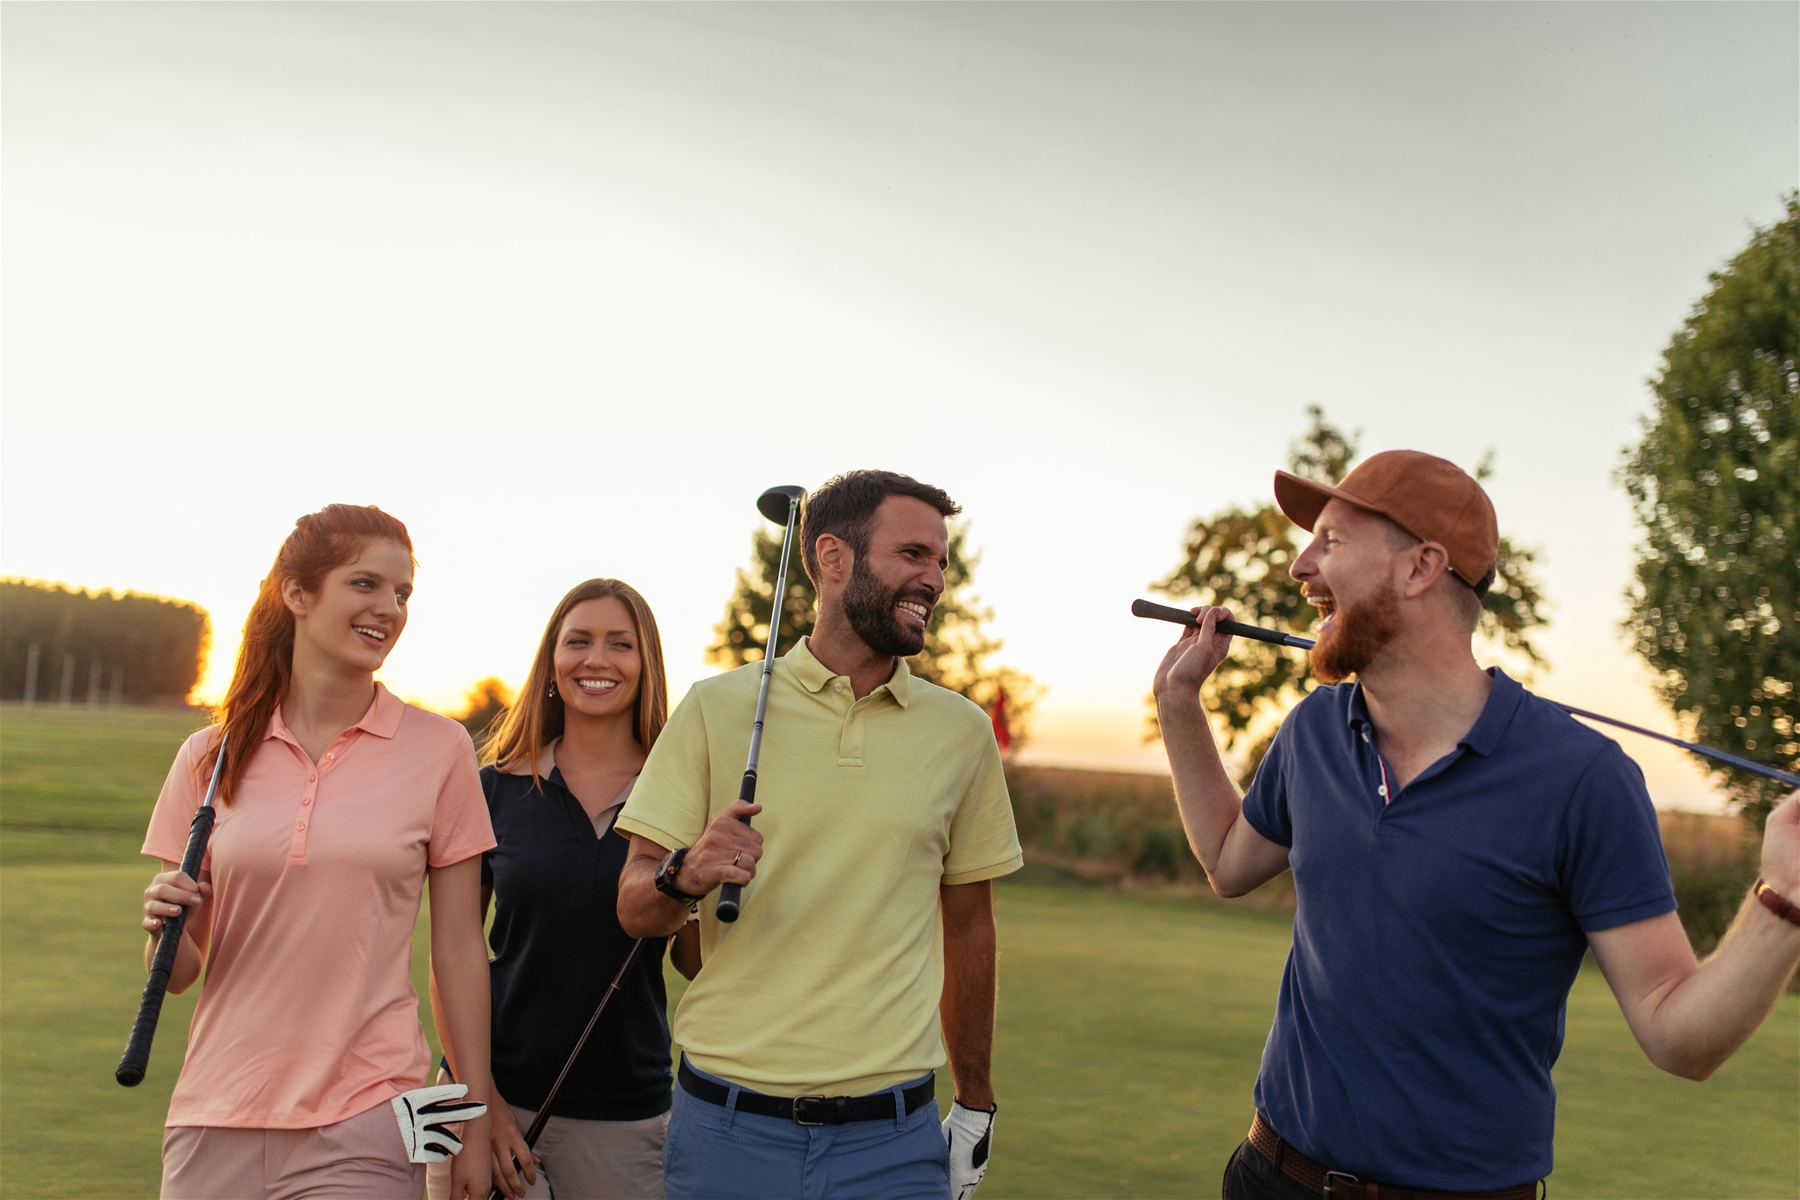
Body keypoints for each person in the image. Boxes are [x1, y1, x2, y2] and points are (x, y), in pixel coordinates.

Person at [1150, 450, 1800, 1200]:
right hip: (1272, 1176)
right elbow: (1230, 862)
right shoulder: (1314, 731)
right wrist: (1178, 705)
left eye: (1329, 541)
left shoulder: (1583, 780)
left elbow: (1677, 1032)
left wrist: (1784, 896)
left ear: (1422, 567)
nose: (1300, 566)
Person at [615, 470, 1023, 1200]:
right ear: (832, 559)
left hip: (894, 1144)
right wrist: (687, 872)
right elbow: (635, 906)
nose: (932, 579)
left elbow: (969, 928)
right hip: (724, 1134)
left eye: (940, 562)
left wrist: (975, 1102)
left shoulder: (962, 734)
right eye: (912, 555)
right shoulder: (715, 708)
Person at [137, 503, 497, 1200]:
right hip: (214, 1115)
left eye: (403, 593)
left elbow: (458, 954)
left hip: (369, 1115)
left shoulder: (440, 750)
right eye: (365, 584)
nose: (389, 608)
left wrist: (471, 1129)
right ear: (297, 594)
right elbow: (178, 972)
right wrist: (159, 923)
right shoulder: (208, 757)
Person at [428, 579, 701, 1200]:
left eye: (620, 644)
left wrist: (690, 881)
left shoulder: (683, 796)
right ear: (552, 661)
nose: (596, 659)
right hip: (479, 1093)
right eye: (577, 641)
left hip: (624, 1113)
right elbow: (452, 958)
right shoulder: (489, 788)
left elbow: (694, 963)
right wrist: (483, 1107)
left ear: (646, 665)